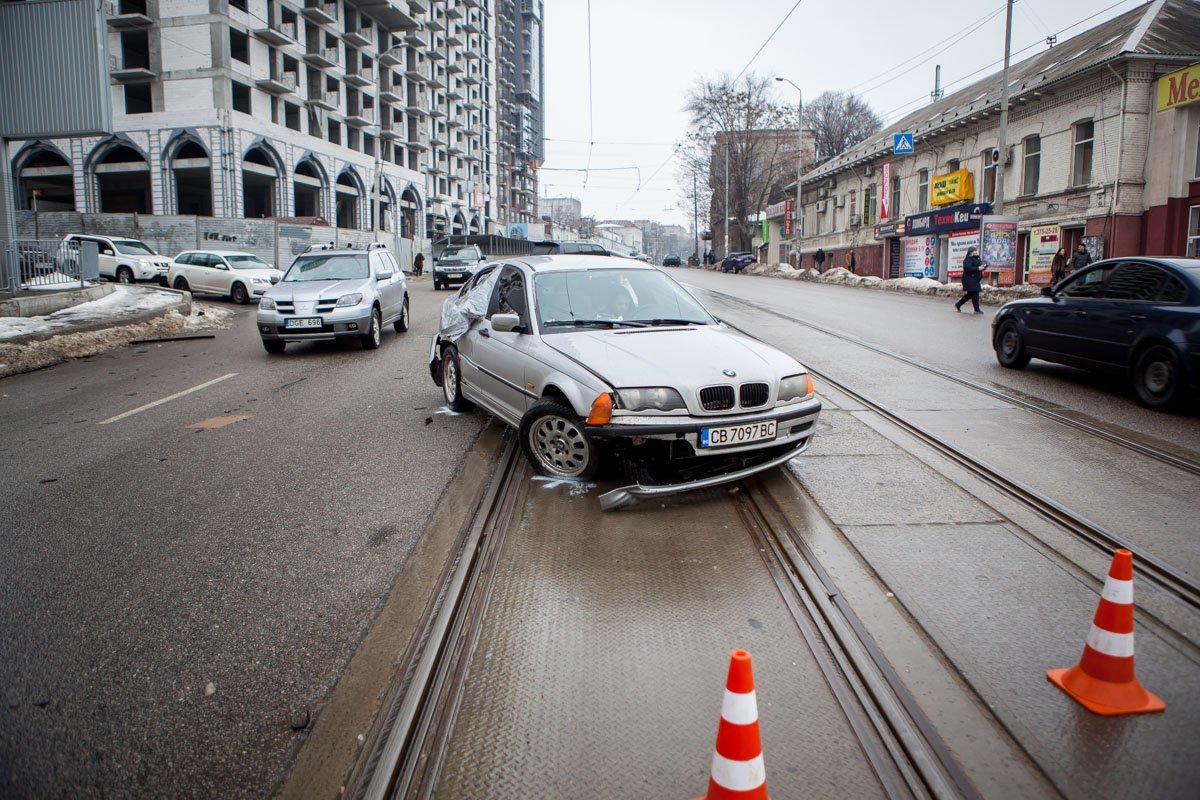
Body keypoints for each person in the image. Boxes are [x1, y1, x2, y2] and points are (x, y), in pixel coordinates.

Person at [955, 246, 985, 314]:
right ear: (971, 252)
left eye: (976, 251)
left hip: (975, 279)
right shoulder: (968, 259)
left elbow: (979, 266)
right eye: (975, 251)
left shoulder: (977, 258)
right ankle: (977, 309)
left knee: (970, 295)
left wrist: (983, 267)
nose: (976, 252)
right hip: (969, 279)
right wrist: (978, 268)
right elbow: (968, 268)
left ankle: (958, 304)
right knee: (975, 293)